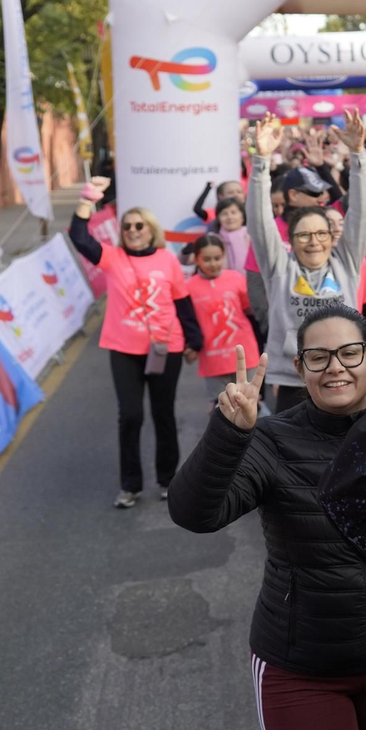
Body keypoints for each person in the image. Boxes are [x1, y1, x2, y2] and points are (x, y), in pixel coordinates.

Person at [169, 309, 366, 730]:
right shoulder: (272, 440)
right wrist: (230, 433)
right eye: (318, 357)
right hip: (302, 673)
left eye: (349, 353)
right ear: (299, 368)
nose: (334, 367)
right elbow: (194, 514)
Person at [68, 176, 202, 508]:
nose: (132, 229)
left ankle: (169, 480)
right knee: (130, 416)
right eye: (127, 225)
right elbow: (79, 237)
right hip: (124, 349)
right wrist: (87, 199)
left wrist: (193, 340)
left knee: (163, 415)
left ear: (151, 229)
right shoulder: (112, 257)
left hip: (165, 347)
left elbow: (182, 302)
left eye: (139, 225)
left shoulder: (167, 260)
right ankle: (130, 485)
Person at [248, 111, 366, 413]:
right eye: (304, 235)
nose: (314, 241)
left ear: (333, 238)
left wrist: (358, 154)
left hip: (346, 377)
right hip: (294, 383)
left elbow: (362, 213)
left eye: (321, 233)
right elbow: (258, 221)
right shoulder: (280, 267)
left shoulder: (345, 262)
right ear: (290, 241)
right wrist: (261, 161)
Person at [185, 234, 260, 397]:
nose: (213, 264)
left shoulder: (236, 278)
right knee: (221, 409)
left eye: (217, 258)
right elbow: (186, 320)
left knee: (251, 404)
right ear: (196, 259)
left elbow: (249, 309)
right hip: (212, 358)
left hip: (245, 353)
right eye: (206, 259)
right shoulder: (189, 287)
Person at [212, 196, 251, 272]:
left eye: (233, 213)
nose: (229, 217)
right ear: (218, 218)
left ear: (242, 216)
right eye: (224, 214)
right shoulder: (214, 240)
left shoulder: (252, 237)